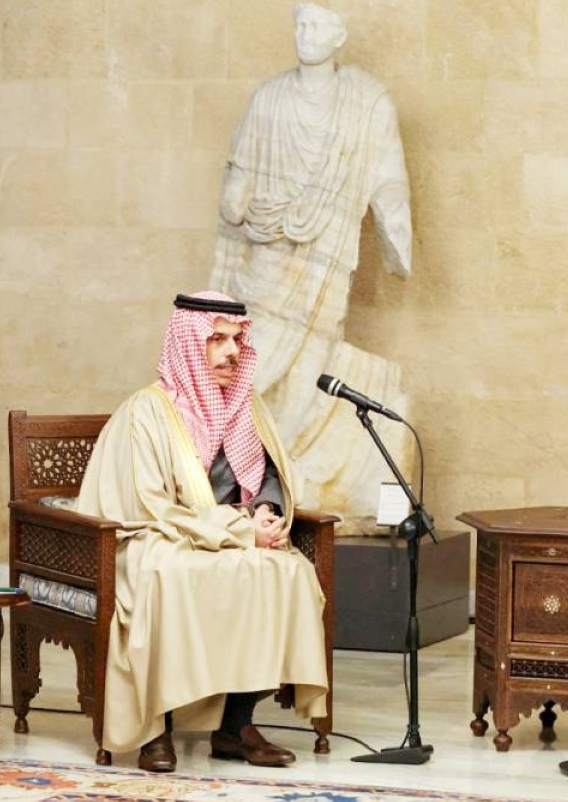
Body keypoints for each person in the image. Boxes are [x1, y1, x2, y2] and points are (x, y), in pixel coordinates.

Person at [76, 291, 329, 773]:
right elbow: (150, 506)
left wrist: (266, 513)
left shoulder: (246, 408)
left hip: (230, 535)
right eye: (217, 340)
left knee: (287, 573)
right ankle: (156, 727)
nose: (232, 352)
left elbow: (267, 475)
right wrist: (241, 530)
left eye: (236, 340)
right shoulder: (146, 412)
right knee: (170, 578)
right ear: (189, 343)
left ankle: (236, 724)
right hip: (156, 536)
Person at [210, 2, 415, 531]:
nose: (305, 34)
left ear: (339, 35)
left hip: (325, 253)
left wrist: (396, 230)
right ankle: (251, 476)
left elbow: (387, 172)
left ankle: (291, 471)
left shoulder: (367, 101)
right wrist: (235, 196)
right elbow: (240, 171)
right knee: (255, 359)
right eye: (299, 23)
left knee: (312, 355)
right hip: (265, 250)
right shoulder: (270, 97)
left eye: (318, 24)